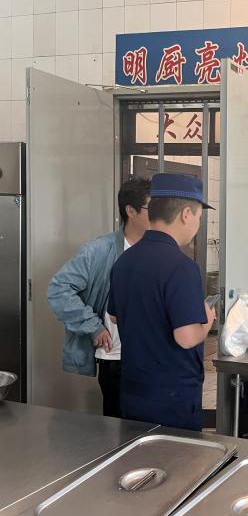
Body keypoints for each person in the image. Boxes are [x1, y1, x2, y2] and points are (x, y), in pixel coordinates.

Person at [108, 173, 215, 431]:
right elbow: (186, 338)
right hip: (172, 398)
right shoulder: (182, 267)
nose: (197, 225)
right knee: (176, 456)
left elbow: (114, 316)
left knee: (136, 452)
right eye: (199, 218)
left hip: (133, 391)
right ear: (186, 214)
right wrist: (208, 321)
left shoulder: (125, 260)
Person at [48, 178, 151, 418]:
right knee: (120, 429)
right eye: (152, 208)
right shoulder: (100, 250)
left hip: (150, 356)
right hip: (116, 358)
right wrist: (93, 326)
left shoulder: (159, 250)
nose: (159, 214)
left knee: (150, 429)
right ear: (131, 211)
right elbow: (59, 289)